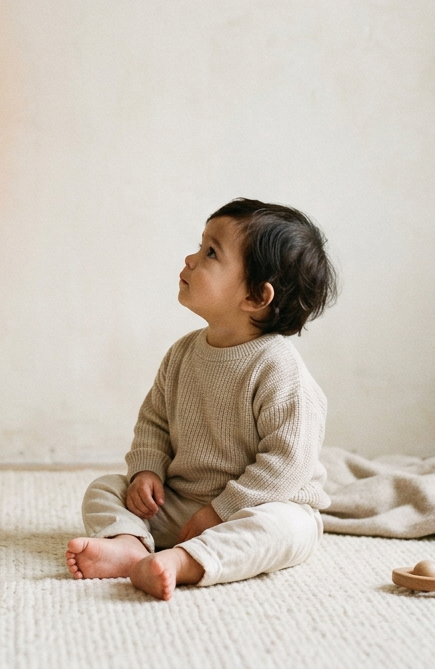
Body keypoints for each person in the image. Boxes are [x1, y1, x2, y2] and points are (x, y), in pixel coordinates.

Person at [65, 198, 337, 600]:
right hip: (182, 505)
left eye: (211, 252)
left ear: (256, 297)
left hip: (256, 508)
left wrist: (221, 512)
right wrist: (146, 472)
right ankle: (130, 546)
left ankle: (186, 562)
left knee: (288, 529)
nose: (191, 258)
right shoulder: (182, 353)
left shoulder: (279, 369)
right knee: (105, 488)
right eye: (200, 245)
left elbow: (288, 464)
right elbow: (154, 422)